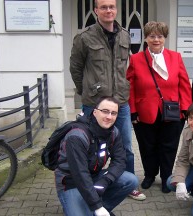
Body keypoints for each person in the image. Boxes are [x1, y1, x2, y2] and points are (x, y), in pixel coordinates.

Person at [69, 0, 145, 200]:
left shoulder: (124, 35)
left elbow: (125, 67)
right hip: (94, 104)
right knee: (89, 146)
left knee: (126, 146)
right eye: (103, 7)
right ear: (96, 11)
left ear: (116, 10)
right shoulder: (84, 38)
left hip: (120, 102)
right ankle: (87, 184)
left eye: (111, 6)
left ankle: (127, 184)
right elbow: (75, 68)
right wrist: (85, 90)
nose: (108, 10)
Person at [126, 21, 192, 193]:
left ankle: (166, 177)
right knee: (147, 146)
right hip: (144, 112)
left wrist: (186, 109)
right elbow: (130, 87)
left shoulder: (175, 57)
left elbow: (184, 84)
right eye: (152, 36)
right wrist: (133, 111)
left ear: (165, 38)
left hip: (172, 112)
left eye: (160, 36)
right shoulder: (136, 59)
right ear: (146, 38)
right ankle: (149, 175)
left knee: (169, 147)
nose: (156, 39)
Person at [55, 96, 139, 216]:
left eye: (113, 113)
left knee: (130, 180)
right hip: (71, 182)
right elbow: (80, 174)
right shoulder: (77, 136)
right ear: (95, 112)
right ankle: (93, 207)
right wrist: (96, 205)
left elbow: (120, 161)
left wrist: (105, 180)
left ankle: (99, 209)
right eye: (105, 111)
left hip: (94, 176)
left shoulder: (114, 132)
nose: (109, 117)